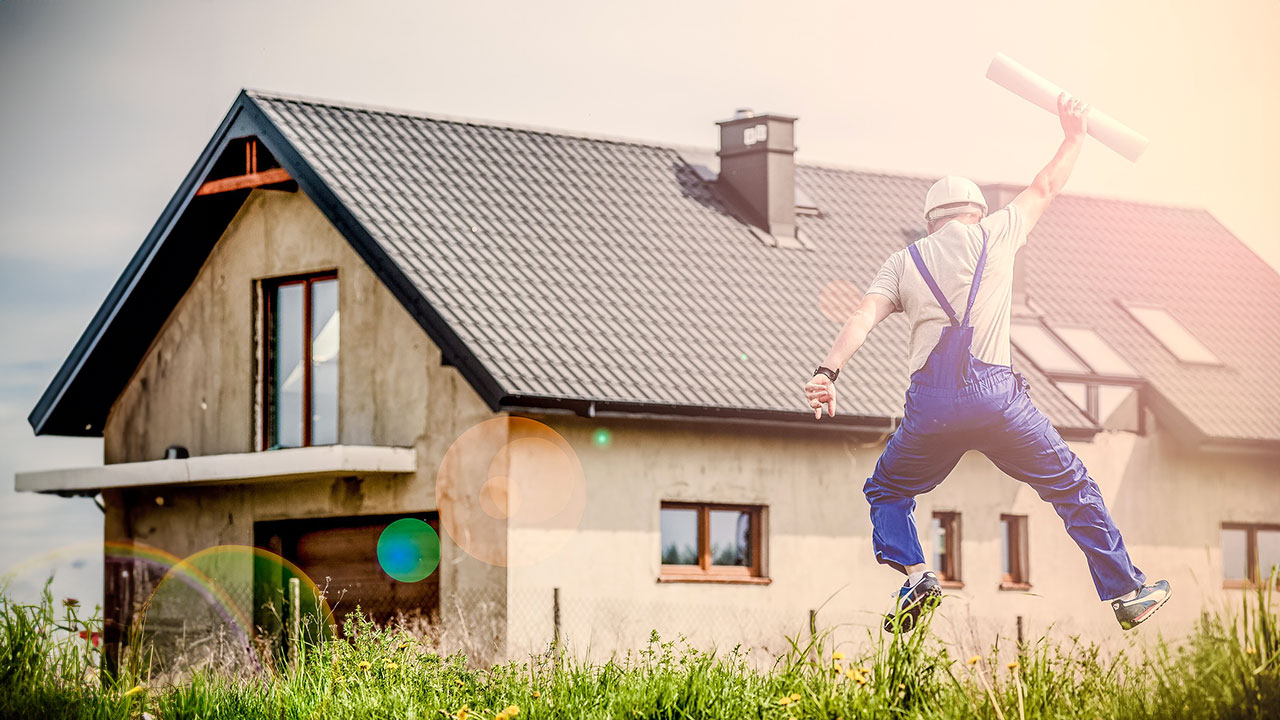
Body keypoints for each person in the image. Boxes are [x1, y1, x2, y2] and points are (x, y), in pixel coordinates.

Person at [803, 93, 1170, 633]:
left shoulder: (904, 261)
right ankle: (1127, 592)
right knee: (1071, 487)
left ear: (931, 221)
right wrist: (1074, 135)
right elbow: (1046, 186)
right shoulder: (996, 234)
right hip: (999, 403)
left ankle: (917, 576)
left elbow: (862, 315)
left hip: (931, 411)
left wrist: (827, 373)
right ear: (975, 211)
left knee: (887, 489)